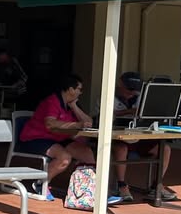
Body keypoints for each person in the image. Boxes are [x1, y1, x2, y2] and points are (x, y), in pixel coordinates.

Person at [18, 73, 121, 202]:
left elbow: (88, 122)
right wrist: (77, 125)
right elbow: (50, 123)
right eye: (79, 89)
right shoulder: (52, 101)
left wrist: (74, 106)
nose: (81, 92)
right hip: (36, 138)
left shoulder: (70, 104)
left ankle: (94, 192)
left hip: (58, 138)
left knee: (89, 156)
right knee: (64, 158)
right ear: (71, 89)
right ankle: (41, 183)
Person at [110, 71, 176, 202]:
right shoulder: (109, 95)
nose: (132, 92)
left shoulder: (141, 96)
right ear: (120, 84)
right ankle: (122, 185)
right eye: (129, 88)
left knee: (165, 149)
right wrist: (129, 111)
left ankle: (156, 185)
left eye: (135, 89)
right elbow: (108, 114)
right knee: (121, 149)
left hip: (139, 137)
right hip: (119, 138)